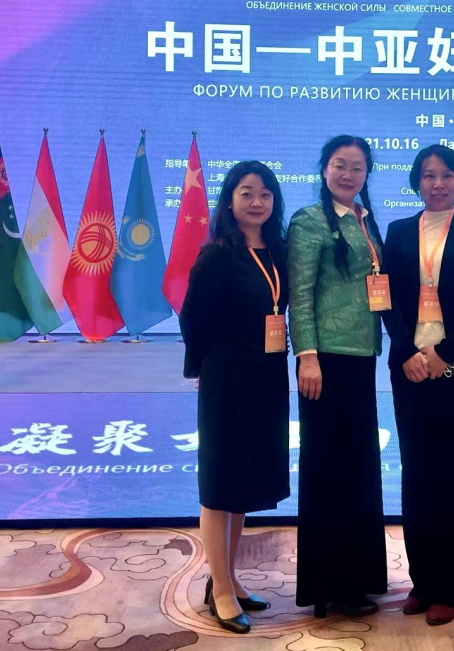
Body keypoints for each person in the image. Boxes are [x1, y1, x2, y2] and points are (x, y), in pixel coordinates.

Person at [382, 144, 454, 626]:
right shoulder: (397, 231)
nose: (438, 184)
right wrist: (407, 351)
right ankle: (422, 581)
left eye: (447, 175)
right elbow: (385, 297)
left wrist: (444, 351)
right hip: (410, 366)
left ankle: (449, 588)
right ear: (416, 182)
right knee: (417, 473)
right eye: (429, 175)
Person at [180, 161, 291, 635]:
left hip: (268, 376)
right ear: (229, 200)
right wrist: (201, 368)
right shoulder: (218, 254)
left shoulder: (279, 250)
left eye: (265, 194)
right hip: (227, 378)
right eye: (246, 193)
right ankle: (220, 589)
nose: (256, 202)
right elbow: (192, 317)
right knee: (220, 483)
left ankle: (228, 578)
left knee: (243, 482)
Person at [288, 135, 388, 618]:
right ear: (324, 169)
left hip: (361, 357)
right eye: (339, 165)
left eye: (357, 167)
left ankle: (358, 581)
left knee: (358, 468)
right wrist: (306, 356)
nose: (348, 175)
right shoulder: (308, 221)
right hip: (324, 362)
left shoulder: (365, 220)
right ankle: (325, 586)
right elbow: (300, 293)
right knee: (327, 469)